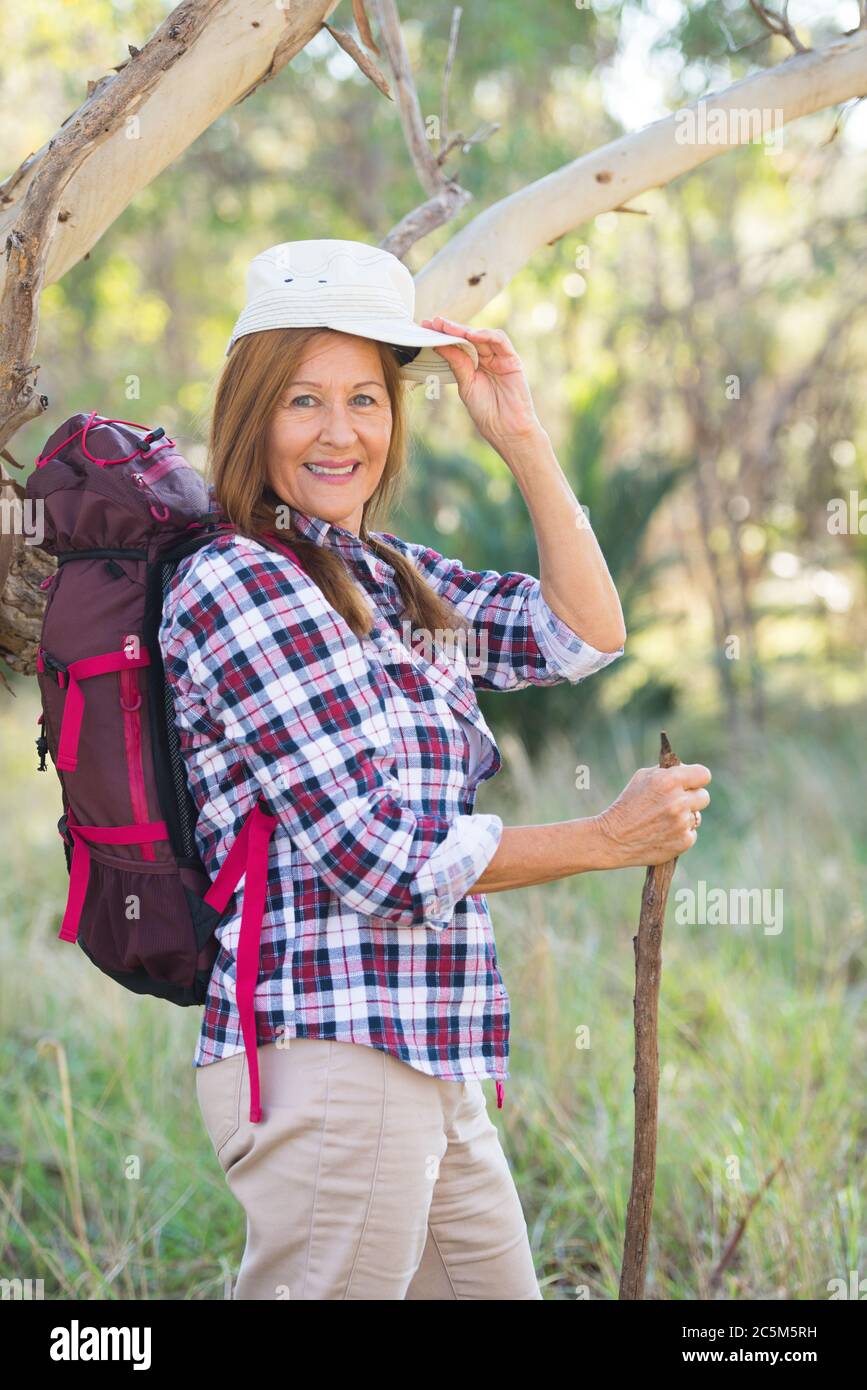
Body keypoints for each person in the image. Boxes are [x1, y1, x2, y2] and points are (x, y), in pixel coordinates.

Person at [158, 239, 711, 1300]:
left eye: (366, 398)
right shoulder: (239, 583)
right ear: (252, 413)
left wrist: (524, 439)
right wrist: (605, 841)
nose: (339, 431)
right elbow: (380, 860)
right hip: (330, 1051)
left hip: (431, 1047)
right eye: (303, 400)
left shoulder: (392, 576)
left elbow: (580, 634)